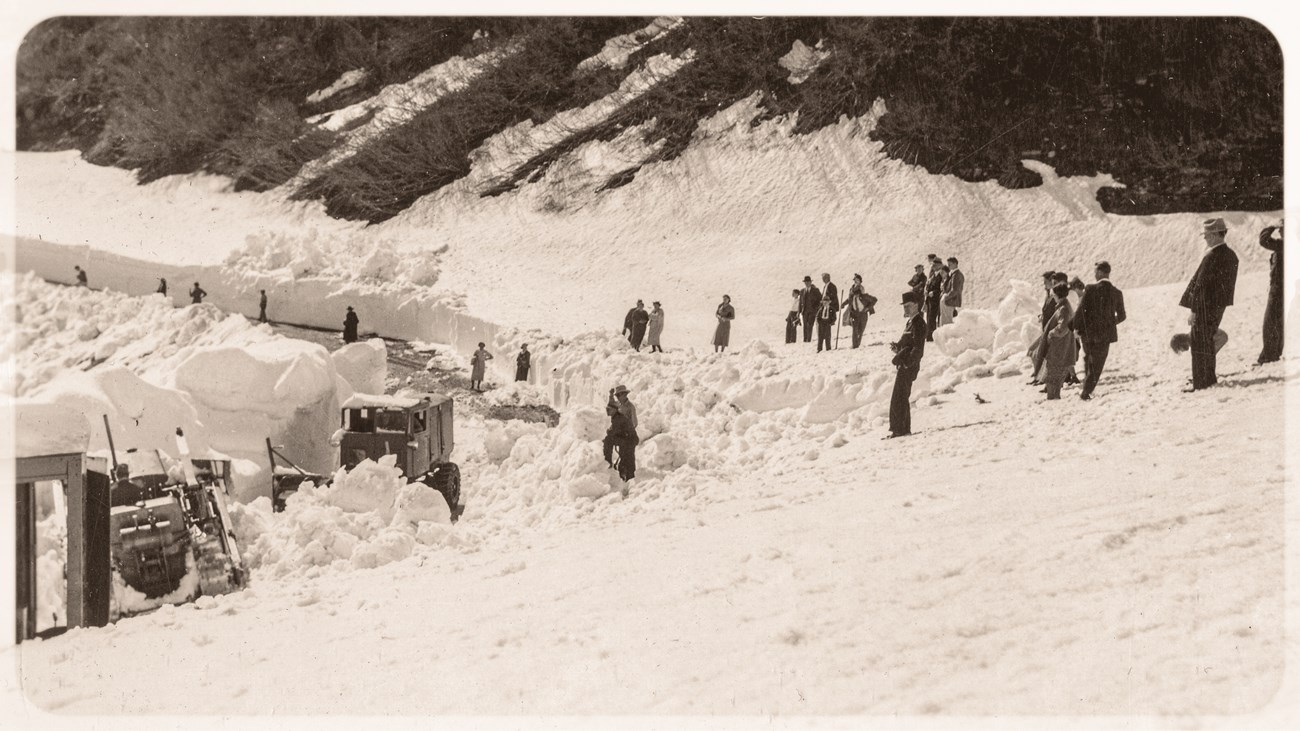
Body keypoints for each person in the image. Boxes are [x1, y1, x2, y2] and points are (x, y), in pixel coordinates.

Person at [1179, 217, 1240, 391]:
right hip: (1218, 307)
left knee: (1199, 344)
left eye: (1206, 235)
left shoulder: (1212, 256)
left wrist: (1194, 311)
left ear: (1213, 235)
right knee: (1207, 342)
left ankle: (1201, 382)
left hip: (1204, 308)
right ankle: (1208, 378)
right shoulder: (1230, 255)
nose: (1204, 238)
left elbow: (1201, 287)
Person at [1070, 261, 1126, 400]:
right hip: (1105, 335)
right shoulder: (1117, 293)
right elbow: (1122, 316)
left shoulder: (1090, 289)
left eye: (1095, 271)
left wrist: (1074, 327)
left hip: (1088, 334)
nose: (1094, 274)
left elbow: (1081, 311)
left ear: (1101, 272)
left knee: (1089, 359)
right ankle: (1086, 392)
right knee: (1097, 364)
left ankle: (1086, 389)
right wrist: (1110, 323)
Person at [887, 291, 927, 438]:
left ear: (916, 305)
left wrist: (908, 363)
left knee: (900, 396)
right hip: (904, 364)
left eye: (908, 306)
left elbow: (918, 349)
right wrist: (897, 348)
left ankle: (901, 430)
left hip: (909, 366)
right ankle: (901, 429)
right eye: (904, 306)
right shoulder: (910, 323)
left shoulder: (919, 323)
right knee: (900, 396)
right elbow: (906, 343)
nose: (906, 309)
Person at [1255, 224, 1284, 365]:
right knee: (1277, 322)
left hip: (1279, 289)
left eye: (1283, 229)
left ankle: (1268, 355)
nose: (1280, 231)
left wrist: (1271, 227)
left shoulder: (1285, 244)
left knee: (1270, 322)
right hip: (1282, 288)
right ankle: (1273, 353)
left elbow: (1264, 240)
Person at [1042, 283, 1077, 400]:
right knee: (1054, 378)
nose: (1052, 296)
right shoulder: (1064, 306)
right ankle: (1053, 398)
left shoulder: (1063, 309)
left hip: (1059, 349)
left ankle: (1053, 399)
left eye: (1053, 294)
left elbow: (1062, 328)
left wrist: (1051, 333)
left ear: (1057, 295)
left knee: (1053, 378)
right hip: (1061, 347)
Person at [603, 384, 639, 483]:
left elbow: (634, 423)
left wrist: (626, 431)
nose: (618, 397)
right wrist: (610, 396)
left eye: (619, 395)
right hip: (622, 434)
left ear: (625, 395)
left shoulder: (630, 407)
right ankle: (623, 475)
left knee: (629, 457)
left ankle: (631, 478)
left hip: (629, 436)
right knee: (623, 456)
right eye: (617, 396)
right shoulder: (618, 405)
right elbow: (611, 407)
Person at [1029, 271, 1058, 385]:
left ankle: (1041, 378)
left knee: (1041, 354)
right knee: (1033, 352)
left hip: (1050, 330)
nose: (1044, 284)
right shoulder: (1049, 295)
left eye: (1045, 282)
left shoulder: (1055, 296)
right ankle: (1039, 377)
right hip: (1045, 330)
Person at [842, 273, 876, 349]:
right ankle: (855, 345)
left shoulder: (862, 291)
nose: (856, 281)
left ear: (860, 281)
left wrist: (867, 308)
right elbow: (849, 299)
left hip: (863, 313)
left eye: (858, 280)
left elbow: (873, 300)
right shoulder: (852, 290)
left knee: (861, 330)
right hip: (854, 313)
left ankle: (858, 344)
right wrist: (843, 304)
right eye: (855, 280)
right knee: (855, 329)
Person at [816, 272, 839, 352]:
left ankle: (828, 347)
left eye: (824, 278)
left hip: (829, 309)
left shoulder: (832, 286)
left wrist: (830, 307)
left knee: (827, 334)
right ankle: (820, 348)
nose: (823, 280)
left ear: (828, 278)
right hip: (824, 309)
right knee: (821, 334)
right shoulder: (825, 286)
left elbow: (833, 297)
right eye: (823, 278)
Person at [924, 260, 944, 341]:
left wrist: (934, 292)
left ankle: (932, 336)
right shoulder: (933, 275)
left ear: (940, 265)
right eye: (932, 265)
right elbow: (928, 285)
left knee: (933, 318)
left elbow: (942, 288)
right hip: (930, 300)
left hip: (936, 300)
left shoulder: (941, 275)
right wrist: (926, 291)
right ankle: (929, 336)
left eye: (935, 265)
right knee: (929, 317)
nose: (933, 266)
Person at [942, 256, 964, 324]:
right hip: (950, 300)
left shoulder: (956, 275)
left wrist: (946, 297)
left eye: (950, 264)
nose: (948, 266)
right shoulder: (953, 274)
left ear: (955, 264)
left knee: (947, 321)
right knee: (945, 319)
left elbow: (955, 290)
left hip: (950, 301)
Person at [799, 276, 821, 343]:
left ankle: (809, 339)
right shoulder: (802, 291)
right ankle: (805, 339)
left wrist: (816, 308)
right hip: (805, 311)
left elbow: (820, 299)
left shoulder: (815, 290)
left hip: (812, 311)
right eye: (805, 282)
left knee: (810, 324)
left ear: (811, 282)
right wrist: (799, 311)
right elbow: (800, 302)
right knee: (805, 325)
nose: (807, 283)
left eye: (808, 282)